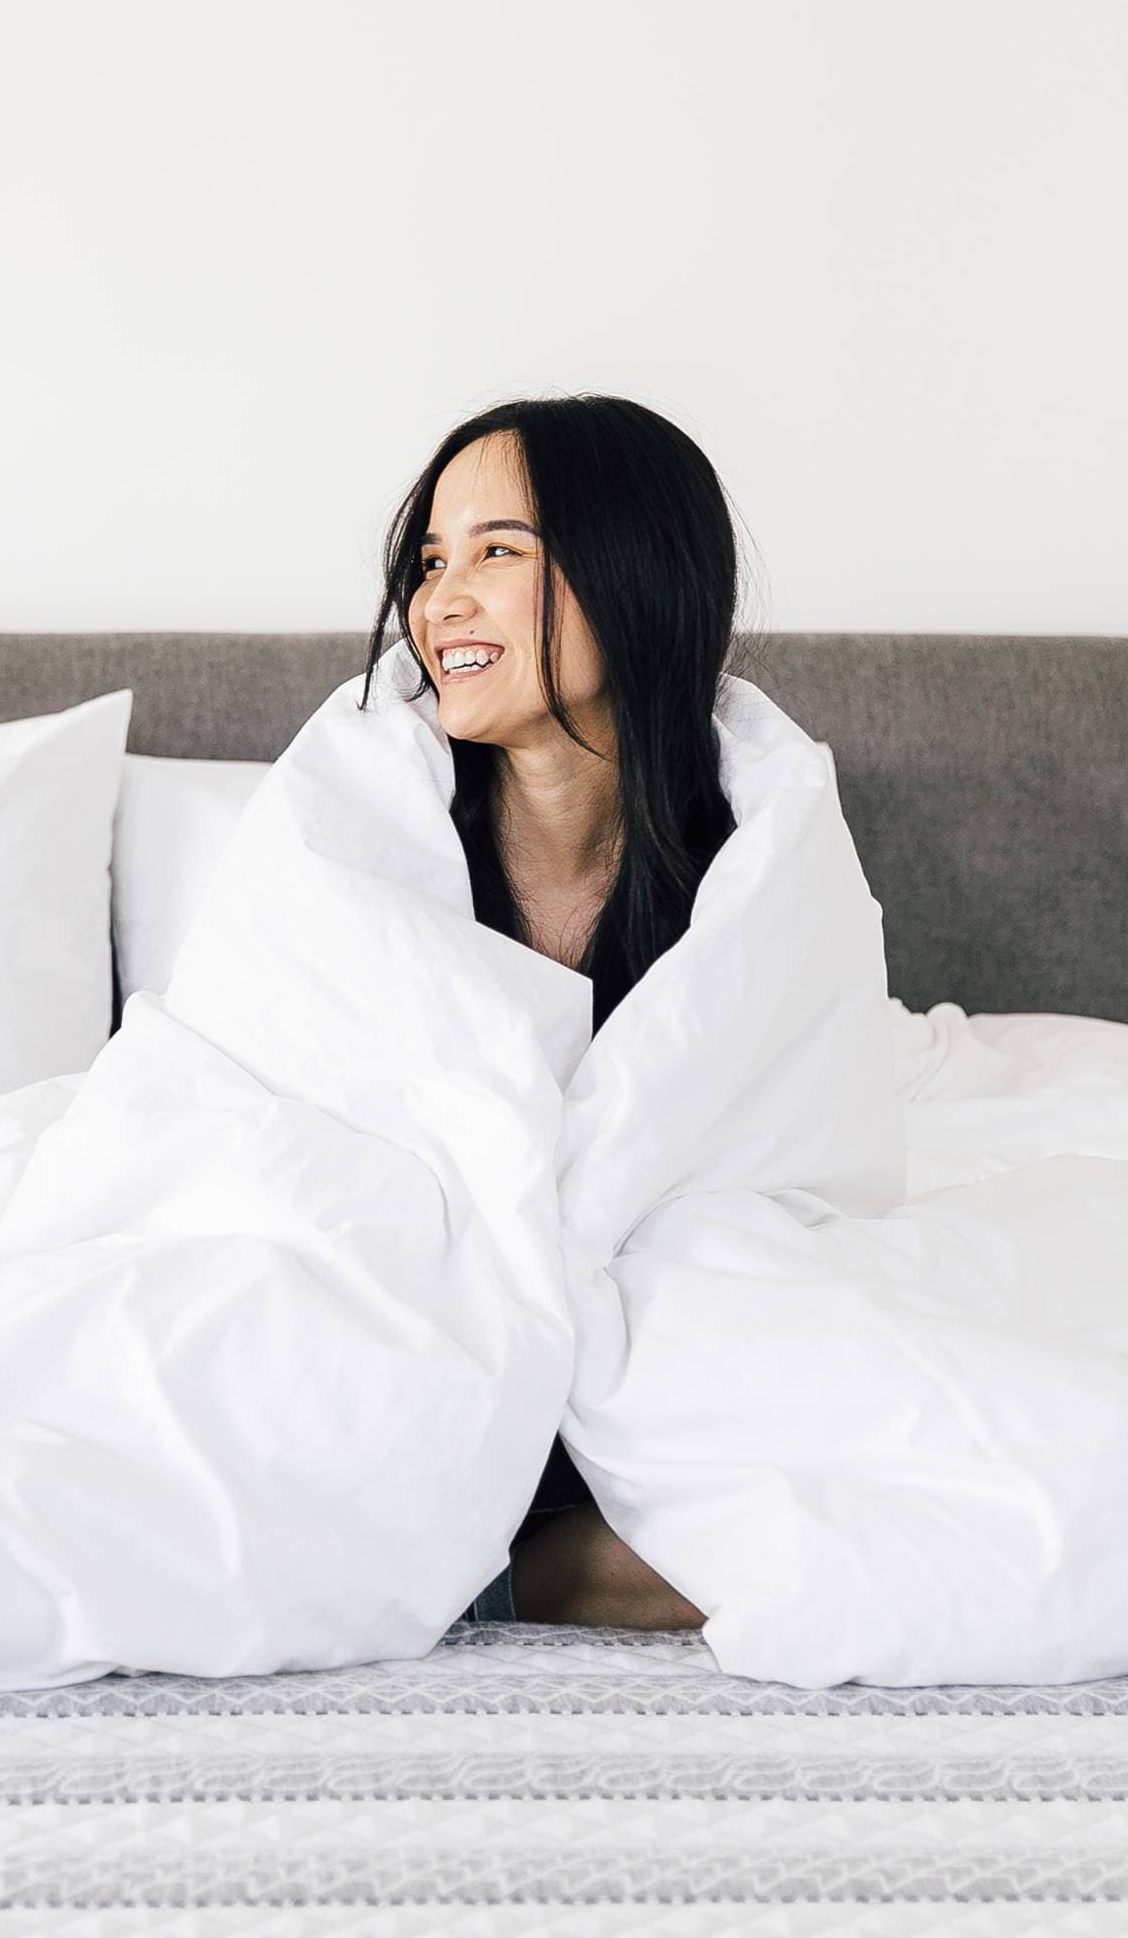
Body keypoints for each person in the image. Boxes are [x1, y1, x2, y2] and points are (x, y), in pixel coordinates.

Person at [364, 394, 737, 1632]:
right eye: (431, 561)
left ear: (633, 574)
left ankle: (505, 1572)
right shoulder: (379, 849)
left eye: (499, 551)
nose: (440, 601)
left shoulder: (745, 873)